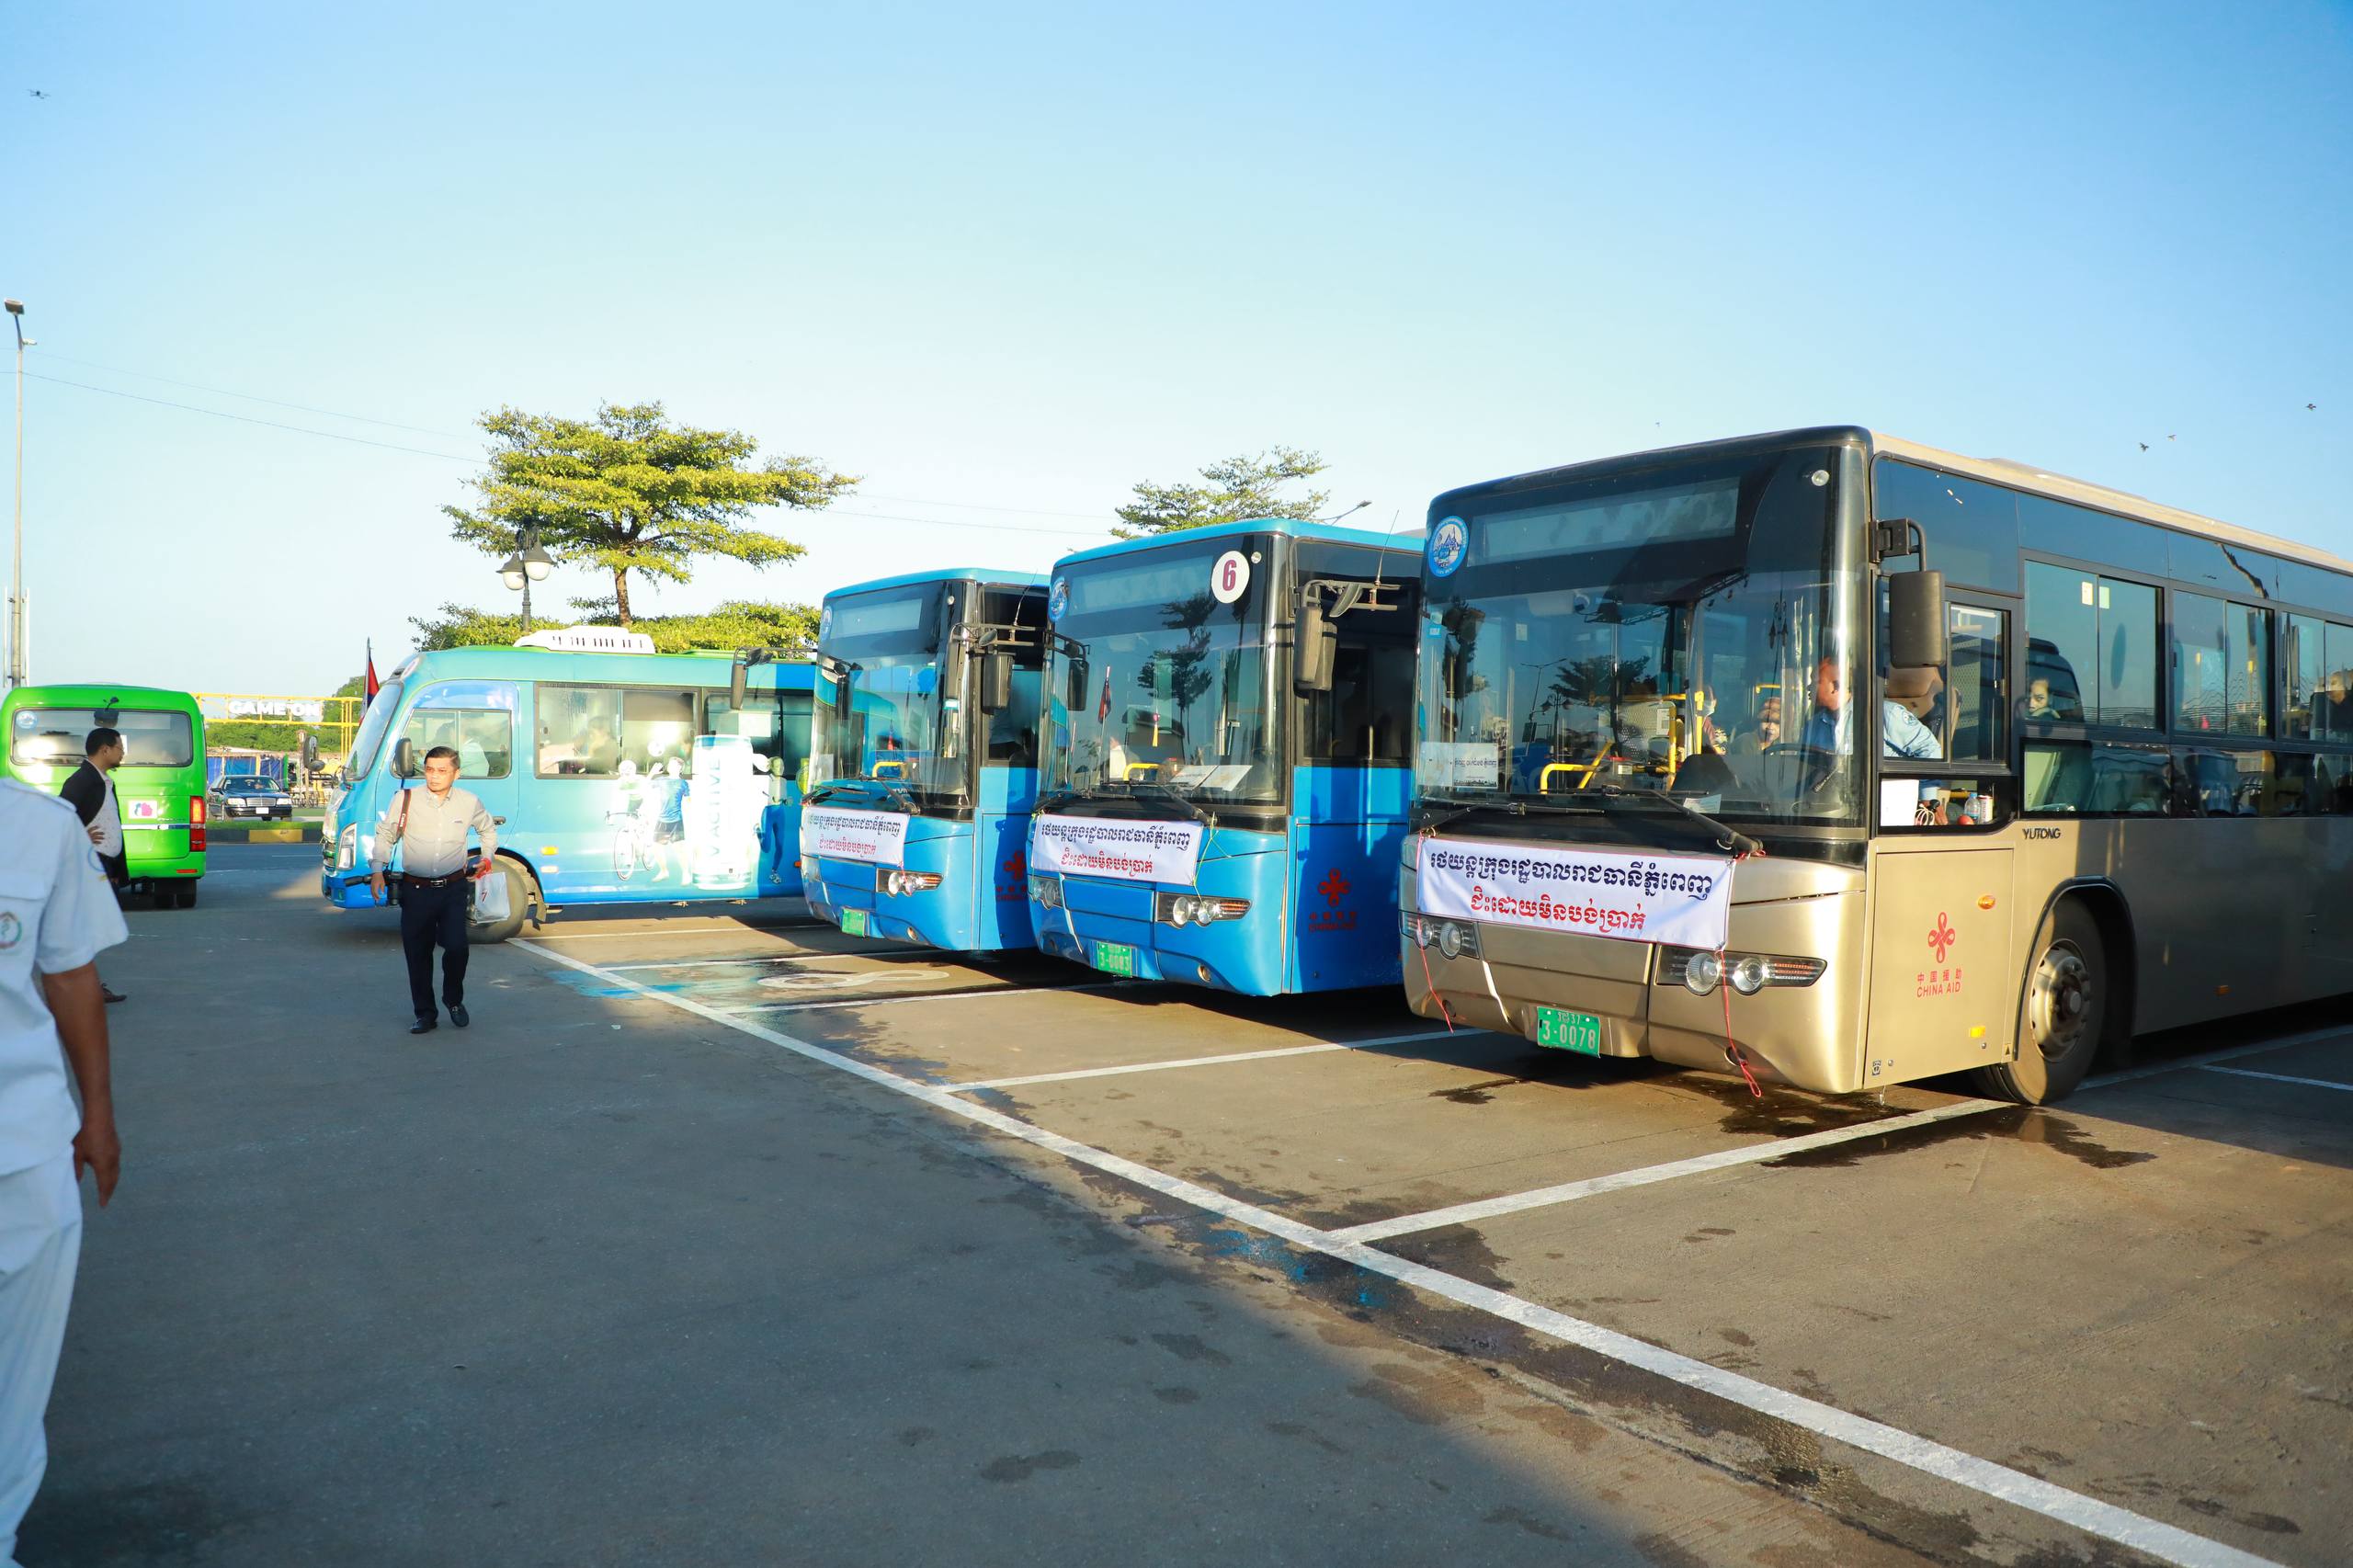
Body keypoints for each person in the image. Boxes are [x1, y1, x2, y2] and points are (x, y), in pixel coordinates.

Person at [0, 778, 127, 1562]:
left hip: (24, 1145)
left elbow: (71, 974)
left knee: (18, 1380)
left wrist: (98, 1117)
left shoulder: (37, 827)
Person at [369, 746, 498, 1035]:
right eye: (429, 770)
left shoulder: (469, 802)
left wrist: (487, 857)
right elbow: (386, 834)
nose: (434, 776)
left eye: (442, 770)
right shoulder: (406, 799)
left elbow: (487, 829)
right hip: (416, 890)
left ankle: (453, 999)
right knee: (418, 954)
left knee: (457, 947)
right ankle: (425, 1014)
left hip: (453, 889)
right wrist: (377, 870)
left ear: (456, 773)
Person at [55, 728, 130, 1005]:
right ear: (105, 749)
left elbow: (112, 825)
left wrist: (116, 871)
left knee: (93, 929)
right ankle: (80, 988)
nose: (123, 752)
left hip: (104, 865)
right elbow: (59, 820)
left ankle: (84, 985)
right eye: (120, 747)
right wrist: (80, 835)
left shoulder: (104, 782)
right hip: (89, 864)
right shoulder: (81, 781)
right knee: (87, 929)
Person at [1802, 654, 1942, 759]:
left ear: (1836, 686)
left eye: (1815, 682)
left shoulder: (1885, 714)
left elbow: (1930, 750)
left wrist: (1924, 792)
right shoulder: (1813, 725)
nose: (1808, 687)